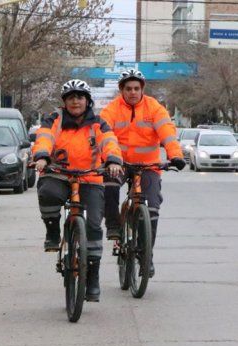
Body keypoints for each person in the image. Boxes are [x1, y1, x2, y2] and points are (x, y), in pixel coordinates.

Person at [32, 79, 123, 302]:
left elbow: (109, 142)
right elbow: (44, 137)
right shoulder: (55, 119)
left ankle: (92, 277)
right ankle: (53, 231)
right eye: (71, 97)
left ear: (87, 101)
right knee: (48, 192)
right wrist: (42, 156)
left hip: (89, 176)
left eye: (80, 97)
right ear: (64, 101)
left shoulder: (98, 123)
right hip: (59, 173)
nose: (75, 101)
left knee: (93, 224)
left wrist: (112, 160)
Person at [100, 69, 185, 278]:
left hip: (148, 165)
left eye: (136, 88)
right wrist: (112, 159)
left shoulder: (154, 108)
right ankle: (114, 226)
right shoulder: (111, 109)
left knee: (153, 207)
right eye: (128, 89)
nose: (133, 92)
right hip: (118, 164)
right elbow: (103, 132)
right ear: (121, 90)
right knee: (109, 186)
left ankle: (147, 255)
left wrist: (176, 155)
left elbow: (167, 132)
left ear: (142, 89)